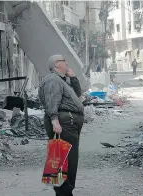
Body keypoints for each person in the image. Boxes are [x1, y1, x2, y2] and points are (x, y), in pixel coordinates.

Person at [38, 54, 85, 196]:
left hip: (68, 122)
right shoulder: (53, 80)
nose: (67, 63)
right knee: (64, 159)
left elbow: (77, 94)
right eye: (64, 61)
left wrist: (74, 77)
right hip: (64, 122)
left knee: (67, 159)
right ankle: (63, 192)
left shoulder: (62, 80)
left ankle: (65, 191)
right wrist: (54, 120)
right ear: (57, 64)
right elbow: (52, 101)